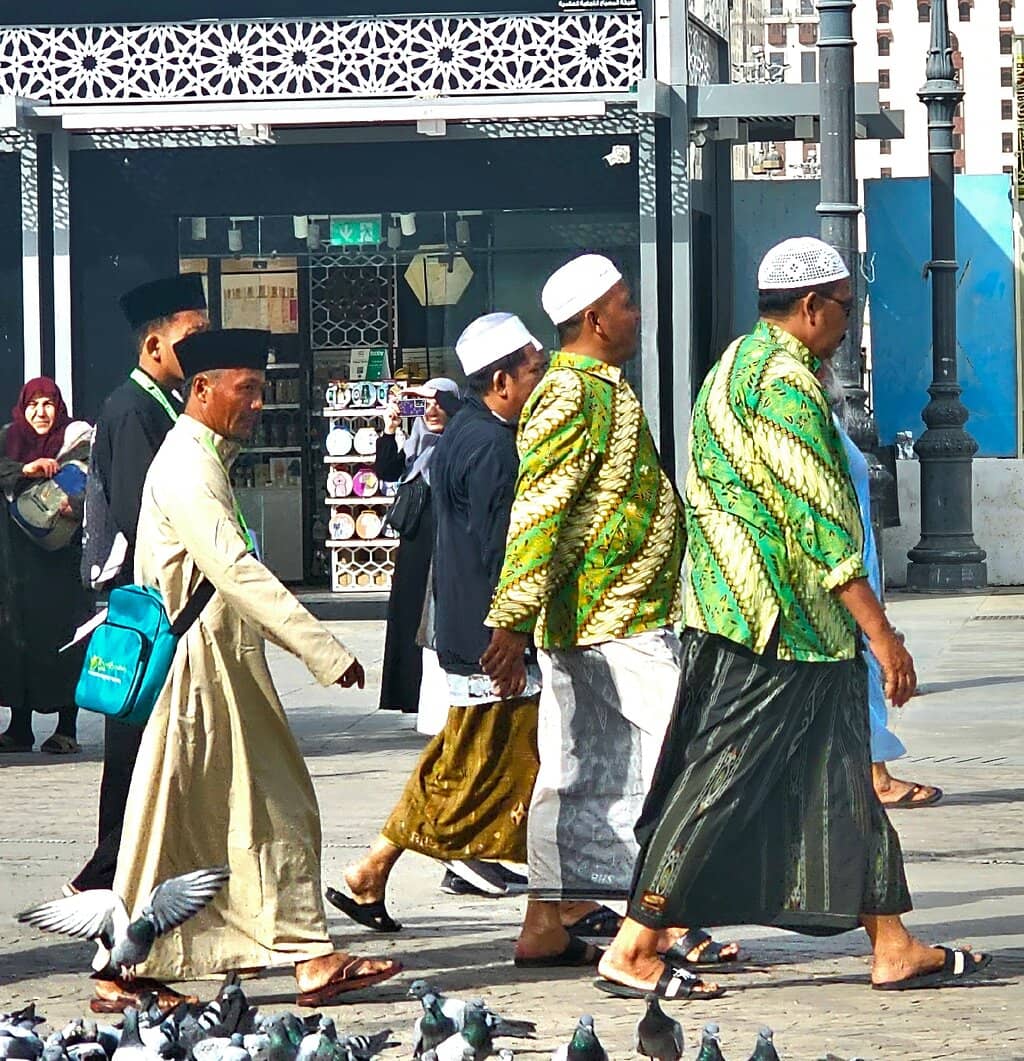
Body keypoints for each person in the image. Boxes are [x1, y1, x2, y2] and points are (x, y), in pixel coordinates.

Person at [597, 236, 990, 1000]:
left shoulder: (731, 367)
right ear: (811, 307)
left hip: (771, 622)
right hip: (773, 627)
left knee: (843, 778)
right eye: (845, 307)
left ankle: (892, 943)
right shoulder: (783, 384)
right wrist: (883, 634)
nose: (847, 323)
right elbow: (821, 523)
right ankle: (635, 944)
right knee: (719, 779)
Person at [104, 328, 401, 1013]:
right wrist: (322, 648)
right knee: (261, 805)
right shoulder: (187, 466)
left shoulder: (203, 457)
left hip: (218, 665)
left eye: (263, 390)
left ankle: (287, 955)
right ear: (202, 389)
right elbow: (236, 571)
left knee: (190, 815)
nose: (260, 403)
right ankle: (299, 955)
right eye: (248, 389)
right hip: (201, 668)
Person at [483, 255, 733, 969]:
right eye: (626, 303)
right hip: (613, 616)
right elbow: (540, 512)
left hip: (606, 617)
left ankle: (545, 923)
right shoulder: (570, 394)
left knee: (578, 772)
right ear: (594, 318)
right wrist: (510, 619)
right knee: (687, 753)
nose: (637, 314)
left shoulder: (598, 388)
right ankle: (663, 921)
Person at [326, 313, 547, 929]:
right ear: (502, 381)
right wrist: (512, 631)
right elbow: (500, 549)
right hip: (490, 639)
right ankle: (560, 900)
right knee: (487, 769)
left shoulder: (464, 433)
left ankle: (373, 869)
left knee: (457, 759)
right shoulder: (492, 446)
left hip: (466, 627)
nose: (543, 380)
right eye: (535, 371)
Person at [71, 274, 209, 893]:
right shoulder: (132, 411)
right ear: (155, 346)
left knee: (152, 751)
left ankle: (121, 877)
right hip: (147, 607)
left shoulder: (162, 405)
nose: (204, 346)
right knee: (136, 750)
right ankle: (104, 878)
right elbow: (143, 516)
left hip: (159, 603)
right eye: (194, 334)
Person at [823, 366, 942, 811]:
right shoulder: (801, 417)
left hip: (857, 562)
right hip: (842, 573)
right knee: (861, 667)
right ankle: (874, 775)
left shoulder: (825, 421)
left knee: (860, 671)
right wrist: (882, 633)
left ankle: (872, 772)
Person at [0, 378, 92, 755]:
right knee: (18, 641)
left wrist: (77, 506)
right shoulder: (9, 440)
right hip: (16, 564)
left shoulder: (77, 440)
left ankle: (66, 729)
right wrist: (27, 469)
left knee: (64, 641)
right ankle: (19, 727)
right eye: (33, 404)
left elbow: (99, 484)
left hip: (61, 565)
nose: (40, 412)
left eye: (48, 404)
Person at [374, 377, 461, 720]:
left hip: (448, 546)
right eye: (425, 405)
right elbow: (387, 470)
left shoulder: (461, 444)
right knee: (410, 615)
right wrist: (390, 428)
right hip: (415, 547)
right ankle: (409, 692)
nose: (432, 411)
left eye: (440, 403)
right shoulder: (416, 446)